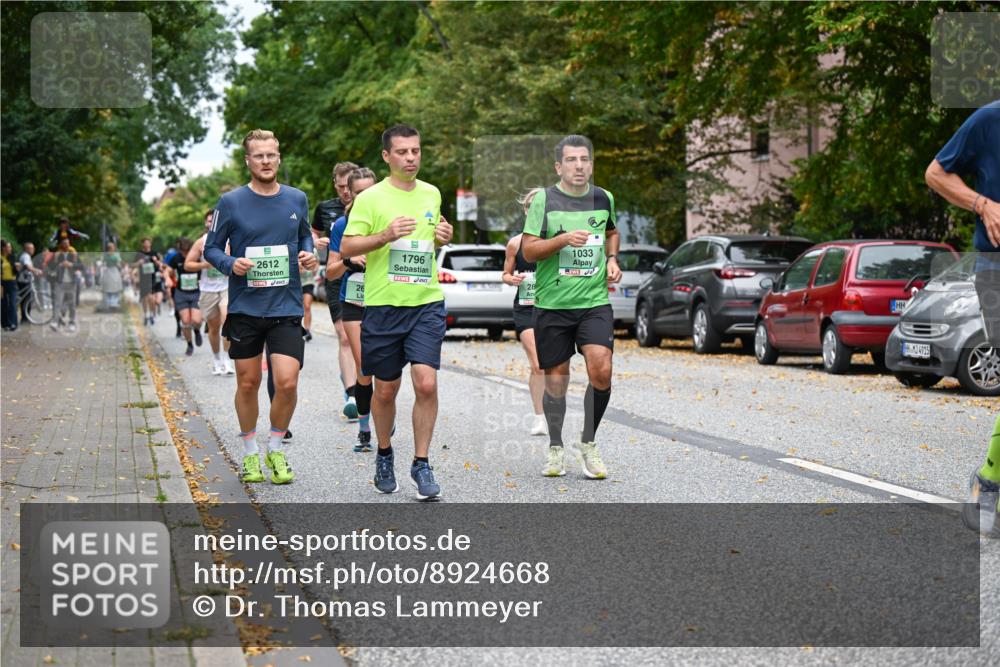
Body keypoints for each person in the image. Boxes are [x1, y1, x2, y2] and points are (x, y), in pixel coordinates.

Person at [341, 125, 453, 501]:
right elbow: (347, 246)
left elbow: (428, 241)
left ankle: (421, 463)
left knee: (426, 382)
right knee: (385, 389)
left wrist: (441, 237)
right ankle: (384, 454)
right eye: (402, 152)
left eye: (416, 151)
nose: (411, 158)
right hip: (384, 306)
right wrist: (385, 235)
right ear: (387, 156)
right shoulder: (370, 199)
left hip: (425, 301)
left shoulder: (432, 193)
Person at [204, 129, 316, 485]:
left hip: (285, 305)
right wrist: (230, 264)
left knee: (287, 381)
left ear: (279, 158)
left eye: (271, 155)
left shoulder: (297, 199)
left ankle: (276, 447)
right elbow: (212, 248)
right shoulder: (231, 202)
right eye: (259, 156)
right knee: (249, 383)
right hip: (246, 309)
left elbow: (305, 235)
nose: (266, 161)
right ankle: (251, 453)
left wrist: (309, 253)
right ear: (248, 161)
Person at [521, 134, 622, 480]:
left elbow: (611, 232)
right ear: (558, 166)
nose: (579, 166)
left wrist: (611, 259)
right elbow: (529, 251)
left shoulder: (602, 197)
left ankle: (588, 443)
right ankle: (555, 446)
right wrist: (563, 239)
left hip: (594, 302)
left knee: (602, 369)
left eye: (585, 160)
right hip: (553, 304)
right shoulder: (544, 201)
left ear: (591, 164)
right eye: (572, 160)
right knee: (556, 383)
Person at [925, 100, 1000, 536]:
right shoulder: (988, 120)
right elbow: (935, 173)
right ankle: (989, 482)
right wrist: (982, 204)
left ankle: (990, 478)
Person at [328, 167, 378, 452]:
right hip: (355, 300)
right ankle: (364, 428)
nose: (365, 197)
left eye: (370, 191)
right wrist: (349, 261)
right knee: (365, 367)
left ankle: (381, 415)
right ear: (349, 193)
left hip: (386, 300)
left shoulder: (390, 220)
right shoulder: (341, 225)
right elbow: (331, 273)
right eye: (359, 192)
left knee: (386, 371)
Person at [313, 161, 361, 419]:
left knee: (364, 340)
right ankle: (351, 392)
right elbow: (311, 234)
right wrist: (316, 241)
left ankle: (361, 383)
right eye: (341, 187)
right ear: (335, 185)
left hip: (366, 279)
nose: (345, 192)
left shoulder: (371, 207)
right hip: (337, 278)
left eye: (349, 187)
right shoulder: (326, 209)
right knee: (344, 336)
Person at [502, 188, 548, 437]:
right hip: (526, 308)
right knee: (538, 363)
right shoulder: (516, 243)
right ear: (527, 211)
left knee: (552, 365)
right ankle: (540, 416)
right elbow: (505, 274)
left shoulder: (555, 240)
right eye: (533, 208)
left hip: (552, 308)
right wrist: (513, 279)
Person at [187, 210, 236, 375]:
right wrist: (205, 265)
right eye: (208, 221)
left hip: (226, 287)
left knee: (227, 321)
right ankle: (216, 359)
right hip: (208, 290)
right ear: (206, 224)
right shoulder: (201, 243)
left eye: (214, 220)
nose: (211, 223)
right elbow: (188, 264)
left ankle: (228, 360)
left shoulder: (230, 240)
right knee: (214, 329)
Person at [166, 237, 203, 356]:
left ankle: (197, 331)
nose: (186, 254)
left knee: (196, 320)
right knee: (186, 321)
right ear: (180, 250)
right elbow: (167, 270)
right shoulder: (176, 258)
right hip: (181, 293)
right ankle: (190, 344)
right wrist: (167, 278)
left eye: (188, 251)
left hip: (196, 292)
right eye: (183, 251)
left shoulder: (197, 257)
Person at [47, 237, 83, 332]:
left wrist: (72, 265)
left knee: (72, 304)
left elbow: (82, 266)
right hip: (59, 282)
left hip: (71, 282)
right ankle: (55, 322)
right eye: (64, 243)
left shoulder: (73, 254)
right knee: (57, 303)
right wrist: (56, 260)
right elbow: (50, 266)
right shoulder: (57, 254)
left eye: (68, 243)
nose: (66, 245)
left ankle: (72, 323)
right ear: (61, 245)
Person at [134, 238, 165, 326]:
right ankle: (146, 315)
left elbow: (160, 264)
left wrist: (156, 261)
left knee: (151, 297)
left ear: (151, 244)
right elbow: (133, 265)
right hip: (143, 277)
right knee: (144, 297)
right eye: (145, 243)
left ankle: (152, 313)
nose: (147, 244)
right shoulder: (139, 253)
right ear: (142, 244)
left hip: (153, 277)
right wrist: (139, 263)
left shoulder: (154, 253)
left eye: (149, 243)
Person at [299, 248, 318, 341]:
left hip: (308, 282)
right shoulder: (293, 248)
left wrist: (314, 268)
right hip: (296, 283)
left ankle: (307, 330)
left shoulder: (313, 250)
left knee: (307, 305)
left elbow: (316, 264)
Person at [101, 241, 124, 310]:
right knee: (115, 287)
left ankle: (109, 302)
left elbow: (103, 263)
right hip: (114, 271)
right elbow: (119, 264)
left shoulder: (105, 255)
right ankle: (114, 303)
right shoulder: (116, 255)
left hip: (108, 271)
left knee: (109, 287)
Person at [1, 240, 17, 331]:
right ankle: (5, 324)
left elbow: (15, 270)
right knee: (3, 303)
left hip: (12, 282)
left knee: (12, 302)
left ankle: (13, 323)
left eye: (10, 247)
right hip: (2, 283)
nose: (10, 248)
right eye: (8, 247)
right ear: (3, 248)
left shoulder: (12, 257)